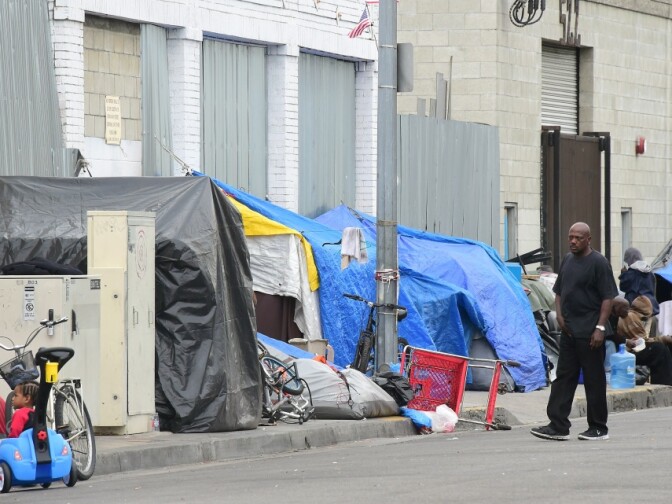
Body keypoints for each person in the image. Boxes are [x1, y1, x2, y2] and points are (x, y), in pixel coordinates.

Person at [531, 222, 618, 441]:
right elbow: (559, 292)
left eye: (578, 238)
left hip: (591, 333)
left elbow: (608, 297)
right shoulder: (568, 260)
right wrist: (559, 315)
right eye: (571, 237)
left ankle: (598, 427)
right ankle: (558, 425)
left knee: (594, 380)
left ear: (588, 239)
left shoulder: (599, 263)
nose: (573, 241)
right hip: (569, 331)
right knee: (563, 378)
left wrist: (600, 328)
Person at [610, 296, 672, 385]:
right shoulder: (631, 316)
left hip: (630, 350)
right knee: (659, 349)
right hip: (628, 353)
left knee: (662, 348)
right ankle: (664, 384)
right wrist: (662, 339)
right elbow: (642, 342)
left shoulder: (633, 316)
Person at [619, 247, 659, 319]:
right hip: (652, 308)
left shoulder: (631, 273)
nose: (628, 264)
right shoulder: (650, 273)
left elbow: (623, 287)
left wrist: (623, 274)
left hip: (637, 309)